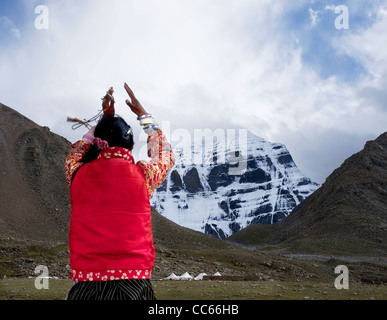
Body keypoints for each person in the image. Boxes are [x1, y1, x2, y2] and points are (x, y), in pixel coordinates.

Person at [64, 83, 175, 300]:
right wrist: (145, 117)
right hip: (134, 286)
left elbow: (77, 151)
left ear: (97, 142)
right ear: (131, 145)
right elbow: (166, 155)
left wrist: (102, 122)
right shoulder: (144, 175)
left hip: (86, 285)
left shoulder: (76, 173)